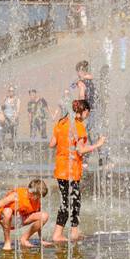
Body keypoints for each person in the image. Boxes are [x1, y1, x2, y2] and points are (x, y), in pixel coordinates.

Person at [50, 99, 105, 244]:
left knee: (68, 200)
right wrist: (97, 145)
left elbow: (52, 144)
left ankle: (68, 232)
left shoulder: (61, 122)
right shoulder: (79, 127)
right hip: (71, 170)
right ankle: (64, 234)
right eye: (88, 112)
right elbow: (81, 150)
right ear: (84, 111)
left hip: (60, 168)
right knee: (73, 201)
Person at [0, 179, 50, 251]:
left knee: (44, 216)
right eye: (38, 196)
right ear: (31, 192)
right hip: (5, 218)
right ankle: (7, 242)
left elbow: (40, 223)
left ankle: (24, 239)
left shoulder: (36, 201)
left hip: (19, 219)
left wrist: (41, 239)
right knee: (7, 211)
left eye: (40, 197)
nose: (38, 199)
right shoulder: (16, 195)